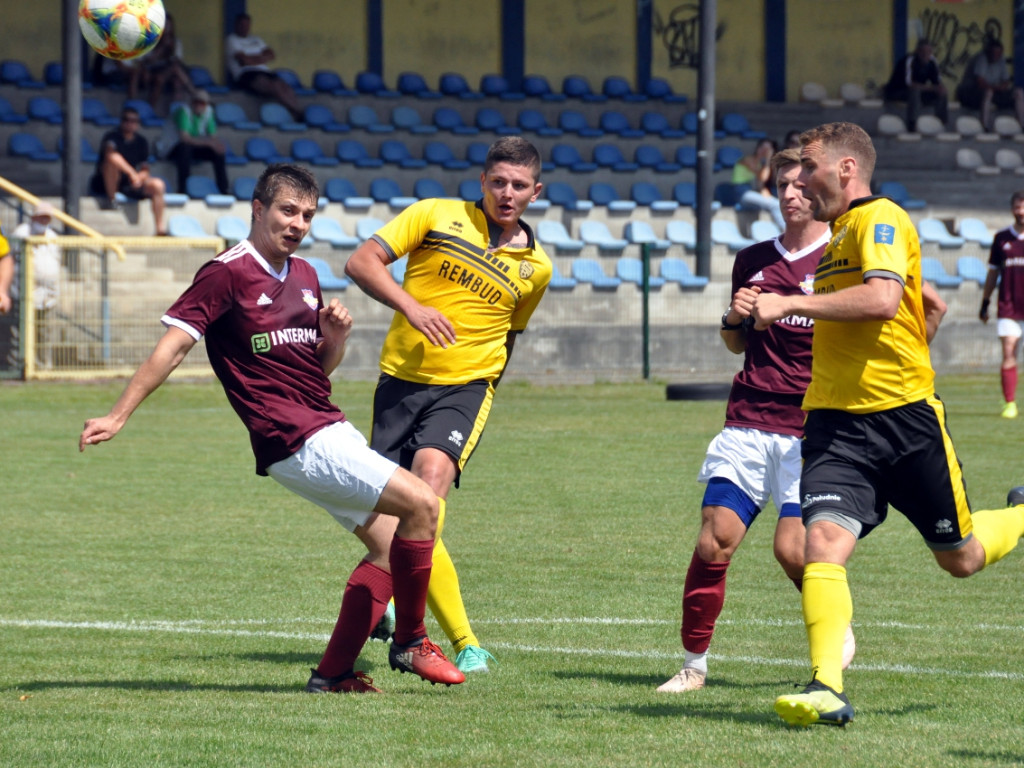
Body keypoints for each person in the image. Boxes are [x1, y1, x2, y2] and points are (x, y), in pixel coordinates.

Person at [79, 163, 465, 694]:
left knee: (390, 545)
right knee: (424, 505)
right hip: (295, 439)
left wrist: (334, 339)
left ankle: (331, 675)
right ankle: (411, 641)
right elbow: (173, 347)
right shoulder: (226, 273)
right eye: (287, 211)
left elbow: (315, 371)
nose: (298, 223)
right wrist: (118, 414)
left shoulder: (305, 275)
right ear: (257, 209)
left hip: (327, 426)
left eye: (307, 214)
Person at [751, 122, 1024, 728]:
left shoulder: (881, 219)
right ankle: (826, 685)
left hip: (903, 421)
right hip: (834, 425)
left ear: (846, 170)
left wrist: (788, 303)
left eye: (811, 167)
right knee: (818, 542)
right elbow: (895, 306)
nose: (799, 179)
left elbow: (878, 301)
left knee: (962, 557)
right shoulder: (839, 232)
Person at [344, 136, 552, 674]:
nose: (508, 193)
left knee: (428, 488)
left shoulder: (537, 269)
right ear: (482, 181)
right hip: (400, 383)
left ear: (536, 191)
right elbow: (361, 262)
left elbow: (510, 337)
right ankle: (397, 605)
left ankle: (462, 641)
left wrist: (484, 393)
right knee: (396, 520)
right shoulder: (433, 215)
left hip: (466, 389)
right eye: (499, 182)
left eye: (520, 185)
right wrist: (410, 307)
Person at [658, 148, 850, 693]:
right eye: (783, 185)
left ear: (821, 192)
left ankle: (837, 626)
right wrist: (733, 317)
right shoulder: (752, 259)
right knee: (714, 539)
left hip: (811, 428)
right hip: (748, 419)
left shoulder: (840, 259)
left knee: (793, 550)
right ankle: (694, 664)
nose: (791, 194)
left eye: (801, 185)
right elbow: (734, 342)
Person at [979, 190, 1024, 419]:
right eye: (1018, 207)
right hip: (1008, 306)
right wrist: (985, 302)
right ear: (1012, 209)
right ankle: (1010, 403)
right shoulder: (1001, 238)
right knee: (1008, 352)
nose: (1022, 212)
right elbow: (993, 273)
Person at [89, 106, 167, 236]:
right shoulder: (112, 137)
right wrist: (132, 172)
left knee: (158, 185)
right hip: (106, 182)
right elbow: (111, 155)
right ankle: (112, 200)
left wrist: (139, 178)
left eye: (134, 120)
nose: (130, 123)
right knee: (111, 164)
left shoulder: (142, 141)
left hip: (129, 183)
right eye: (127, 120)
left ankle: (160, 230)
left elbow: (145, 169)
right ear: (121, 121)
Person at [224, 13, 304, 122]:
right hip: (246, 74)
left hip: (264, 71)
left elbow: (271, 55)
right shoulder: (231, 39)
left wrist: (251, 59)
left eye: (247, 25)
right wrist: (261, 58)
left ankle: (296, 113)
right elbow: (243, 60)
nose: (245, 27)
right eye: (242, 24)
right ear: (236, 25)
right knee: (274, 86)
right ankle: (299, 113)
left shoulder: (256, 39)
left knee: (286, 87)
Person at [11, 202, 62, 369]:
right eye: (41, 216)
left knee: (45, 333)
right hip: (24, 292)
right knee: (20, 333)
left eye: (47, 217)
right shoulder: (21, 233)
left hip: (48, 295)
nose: (44, 219)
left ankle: (43, 368)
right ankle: (19, 367)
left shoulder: (53, 236)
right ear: (34, 217)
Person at [166, 90, 229, 195]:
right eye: (196, 102)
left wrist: (216, 144)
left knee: (218, 152)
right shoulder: (183, 111)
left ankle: (223, 189)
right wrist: (209, 143)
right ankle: (183, 188)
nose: (199, 105)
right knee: (184, 148)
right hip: (171, 147)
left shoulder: (208, 112)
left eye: (202, 103)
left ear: (206, 104)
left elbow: (213, 137)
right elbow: (184, 138)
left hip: (193, 146)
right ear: (192, 102)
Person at [956, 39, 1024, 131]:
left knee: (1018, 92)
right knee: (988, 92)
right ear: (989, 51)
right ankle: (985, 126)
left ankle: (1022, 125)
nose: (996, 56)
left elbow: (1006, 80)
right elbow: (980, 82)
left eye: (999, 53)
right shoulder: (982, 58)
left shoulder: (1001, 60)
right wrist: (996, 87)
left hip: (995, 90)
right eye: (994, 53)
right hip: (972, 93)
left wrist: (1002, 86)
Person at [883, 39, 948, 132]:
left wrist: (940, 89)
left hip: (917, 92)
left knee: (942, 93)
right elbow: (910, 84)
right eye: (923, 52)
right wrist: (932, 88)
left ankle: (941, 123)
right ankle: (912, 124)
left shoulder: (932, 62)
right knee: (915, 92)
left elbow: (937, 83)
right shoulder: (909, 61)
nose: (926, 55)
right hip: (897, 92)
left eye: (929, 52)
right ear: (917, 51)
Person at [138, 14, 193, 112]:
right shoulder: (150, 41)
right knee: (161, 78)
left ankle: (175, 111)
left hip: (169, 71)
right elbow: (146, 60)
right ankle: (194, 93)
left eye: (169, 26)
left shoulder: (176, 42)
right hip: (152, 70)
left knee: (176, 79)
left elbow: (178, 60)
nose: (167, 29)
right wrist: (162, 48)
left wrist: (170, 49)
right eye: (164, 26)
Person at [733, 138, 786, 232]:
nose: (764, 151)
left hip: (752, 191)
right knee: (775, 204)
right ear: (757, 147)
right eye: (762, 147)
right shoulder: (747, 160)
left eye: (767, 149)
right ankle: (786, 232)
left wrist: (763, 190)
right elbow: (762, 177)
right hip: (742, 193)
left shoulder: (759, 164)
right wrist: (767, 160)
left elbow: (761, 183)